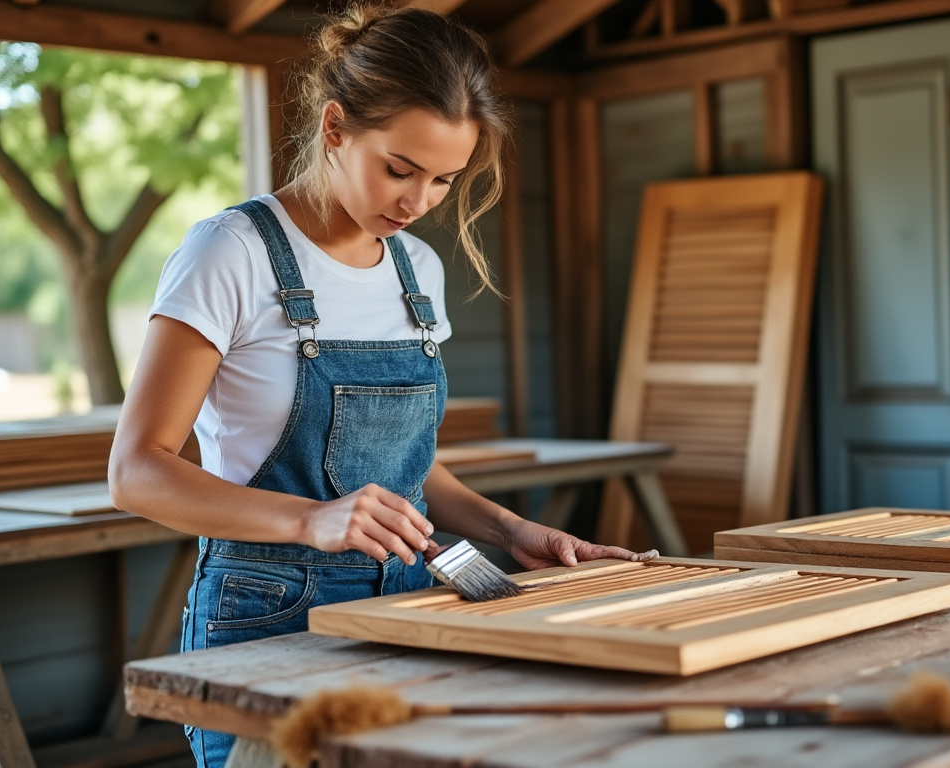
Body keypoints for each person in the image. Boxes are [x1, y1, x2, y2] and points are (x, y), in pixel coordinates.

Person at [107, 6, 645, 766]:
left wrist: (509, 531)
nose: (419, 201)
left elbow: (402, 463)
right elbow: (136, 473)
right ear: (335, 128)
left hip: (410, 601)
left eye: (443, 180)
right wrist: (309, 521)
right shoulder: (230, 252)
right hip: (269, 614)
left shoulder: (414, 271)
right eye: (400, 169)